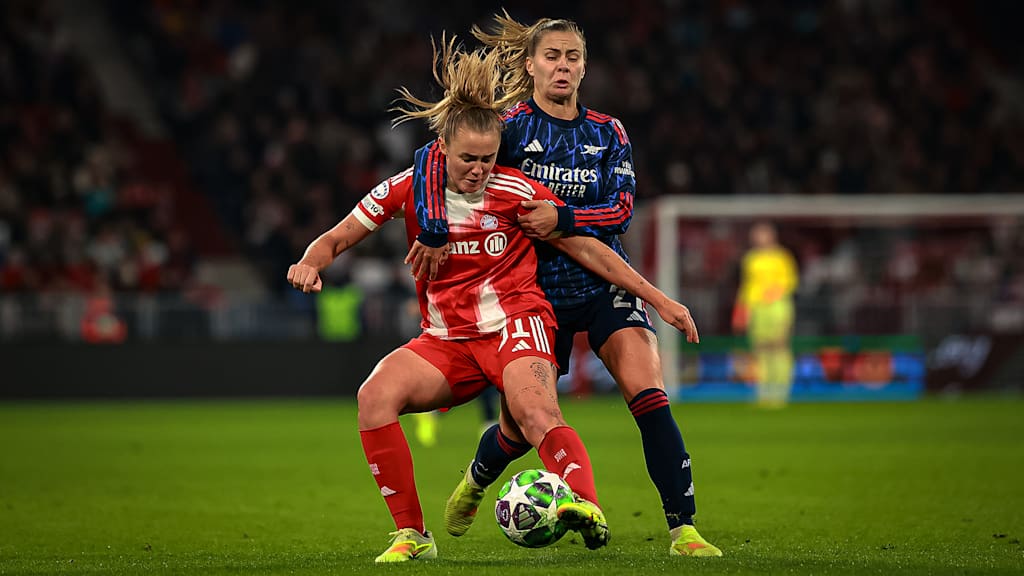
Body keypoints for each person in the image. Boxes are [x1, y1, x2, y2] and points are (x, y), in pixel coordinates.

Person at [287, 39, 701, 563]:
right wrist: (309, 263)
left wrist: (657, 299)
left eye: (487, 158)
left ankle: (587, 507)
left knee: (536, 412)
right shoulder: (411, 187)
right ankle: (413, 535)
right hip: (446, 339)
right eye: (468, 159)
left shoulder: (517, 189)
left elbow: (586, 247)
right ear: (442, 149)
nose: (479, 169)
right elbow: (338, 236)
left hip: (516, 325)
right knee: (373, 398)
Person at [407, 14, 723, 557]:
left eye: (572, 56)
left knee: (649, 395)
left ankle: (683, 530)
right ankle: (478, 480)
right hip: (533, 294)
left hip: (603, 282)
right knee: (519, 428)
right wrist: (434, 229)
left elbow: (621, 210)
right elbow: (434, 159)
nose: (562, 65)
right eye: (551, 55)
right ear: (530, 65)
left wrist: (563, 218)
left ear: (585, 67)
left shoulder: (609, 132)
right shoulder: (509, 127)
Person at [732, 221, 799, 408]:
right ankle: (763, 391)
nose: (759, 238)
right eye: (756, 234)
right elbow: (746, 285)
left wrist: (775, 292)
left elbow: (791, 281)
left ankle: (781, 391)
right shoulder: (750, 258)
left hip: (778, 306)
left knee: (779, 346)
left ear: (772, 235)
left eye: (763, 234)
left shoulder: (782, 257)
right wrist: (740, 308)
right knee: (760, 348)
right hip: (756, 307)